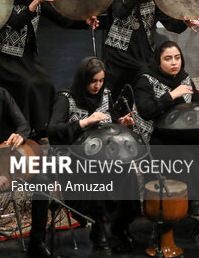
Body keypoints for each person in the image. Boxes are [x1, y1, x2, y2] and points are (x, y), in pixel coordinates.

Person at [0, 0, 98, 139]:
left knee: (46, 83)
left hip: (27, 59)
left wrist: (84, 21)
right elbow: (17, 22)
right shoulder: (1, 1)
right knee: (28, 85)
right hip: (5, 58)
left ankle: (40, 129)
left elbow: (62, 20)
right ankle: (22, 129)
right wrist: (36, 1)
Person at [134, 41, 199, 216]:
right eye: (168, 59)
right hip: (159, 134)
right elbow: (146, 111)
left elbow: (191, 105)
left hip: (185, 131)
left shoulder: (184, 78)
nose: (174, 63)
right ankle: (191, 198)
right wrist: (171, 95)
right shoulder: (146, 80)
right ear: (158, 61)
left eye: (177, 58)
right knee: (185, 151)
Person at [48, 57, 136, 254]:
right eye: (92, 81)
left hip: (104, 155)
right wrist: (84, 122)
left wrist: (121, 125)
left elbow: (110, 123)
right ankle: (98, 231)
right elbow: (53, 131)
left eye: (101, 80)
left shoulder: (105, 95)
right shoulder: (66, 98)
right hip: (74, 159)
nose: (97, 86)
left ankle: (120, 226)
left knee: (127, 172)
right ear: (83, 79)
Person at [0, 54, 51, 258]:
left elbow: (23, 123)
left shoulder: (2, 95)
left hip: (5, 161)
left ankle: (37, 242)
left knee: (42, 182)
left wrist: (20, 135)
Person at [103, 0, 199, 98]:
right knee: (118, 90)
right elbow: (120, 13)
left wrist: (183, 21)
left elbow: (169, 22)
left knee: (145, 82)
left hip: (143, 52)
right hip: (119, 54)